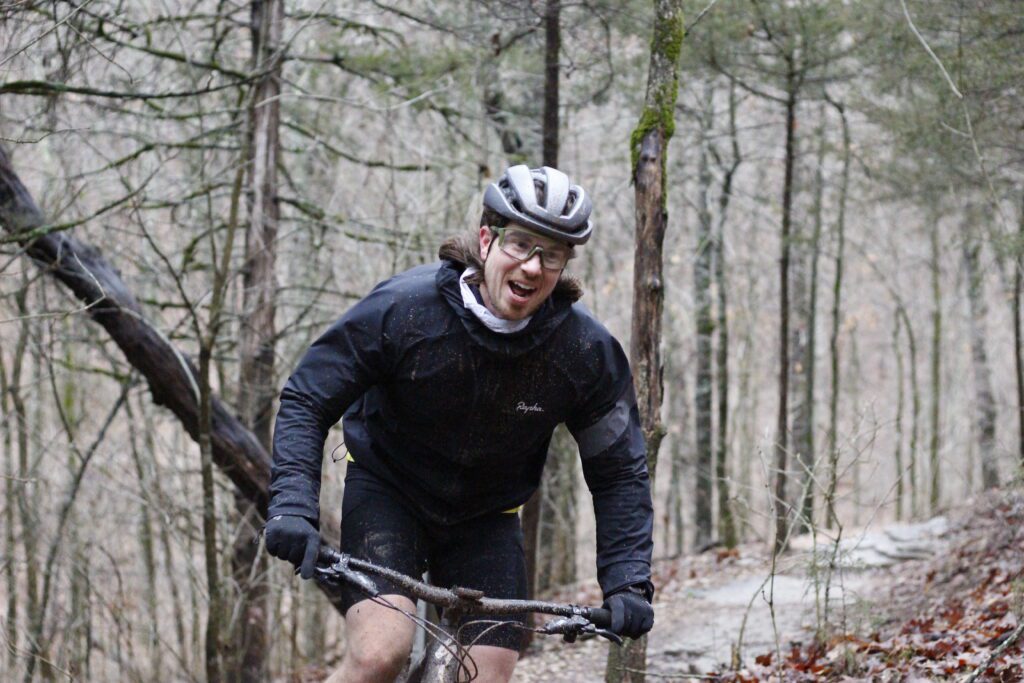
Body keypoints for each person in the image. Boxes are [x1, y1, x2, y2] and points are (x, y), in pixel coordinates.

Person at [265, 165, 655, 683]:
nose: (533, 267)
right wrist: (292, 504)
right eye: (520, 244)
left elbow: (619, 470)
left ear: (564, 266)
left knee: (482, 675)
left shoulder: (584, 352)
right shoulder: (404, 310)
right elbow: (308, 397)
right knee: (382, 653)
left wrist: (627, 582)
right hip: (388, 493)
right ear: (486, 240)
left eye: (553, 255)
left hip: (488, 517)